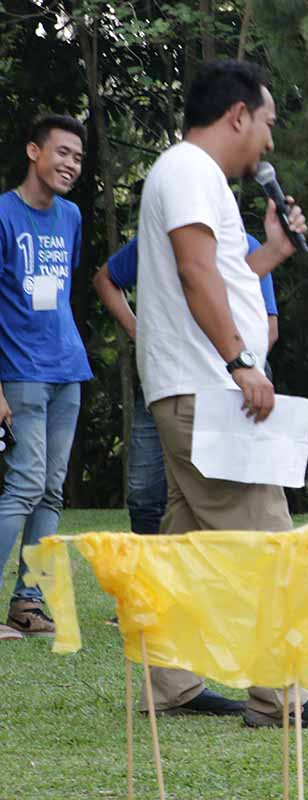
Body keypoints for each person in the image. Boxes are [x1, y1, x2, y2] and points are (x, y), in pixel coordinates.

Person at [136, 59, 308, 726]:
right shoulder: (189, 171)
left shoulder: (192, 178)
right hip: (207, 392)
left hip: (188, 390)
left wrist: (274, 252)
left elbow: (221, 277)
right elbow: (195, 272)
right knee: (270, 545)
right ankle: (280, 695)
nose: (269, 141)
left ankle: (167, 684)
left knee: (182, 548)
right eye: (267, 123)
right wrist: (239, 363)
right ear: (237, 115)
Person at [94, 234, 281, 536]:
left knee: (230, 492)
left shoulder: (245, 244)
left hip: (229, 386)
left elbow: (269, 328)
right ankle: (154, 576)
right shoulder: (162, 239)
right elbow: (106, 279)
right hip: (169, 381)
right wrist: (142, 335)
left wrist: (241, 366)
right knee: (148, 494)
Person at [0, 114, 90, 642]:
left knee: (51, 492)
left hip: (67, 369)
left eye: (78, 158)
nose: (71, 165)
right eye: (62, 153)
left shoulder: (72, 217)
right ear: (34, 152)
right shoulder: (3, 214)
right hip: (21, 372)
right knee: (26, 483)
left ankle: (27, 603)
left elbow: (60, 291)